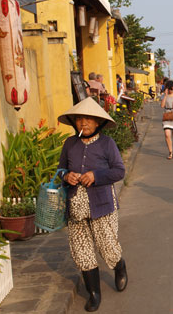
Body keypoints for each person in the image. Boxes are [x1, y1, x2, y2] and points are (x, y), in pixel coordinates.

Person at [57, 97, 127, 312]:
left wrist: (96, 175)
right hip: (76, 207)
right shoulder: (70, 144)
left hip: (103, 205)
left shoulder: (107, 144)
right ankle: (94, 294)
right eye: (79, 119)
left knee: (108, 247)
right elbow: (59, 171)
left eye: (88, 119)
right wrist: (66, 175)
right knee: (82, 251)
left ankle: (119, 266)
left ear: (98, 122)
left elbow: (119, 171)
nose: (83, 123)